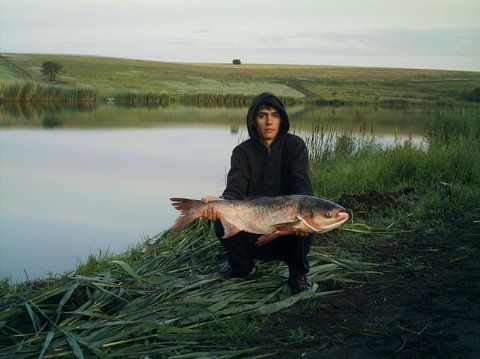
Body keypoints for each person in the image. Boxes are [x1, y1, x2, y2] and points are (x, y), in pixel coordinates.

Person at [202, 92, 314, 293]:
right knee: (221, 220)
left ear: (282, 119)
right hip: (253, 232)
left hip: (287, 233)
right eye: (262, 115)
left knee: (308, 220)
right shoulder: (242, 152)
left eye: (275, 115)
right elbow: (234, 190)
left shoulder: (295, 146)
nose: (269, 121)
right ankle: (244, 269)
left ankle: (298, 275)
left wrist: (298, 220)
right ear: (253, 120)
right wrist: (221, 203)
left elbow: (302, 186)